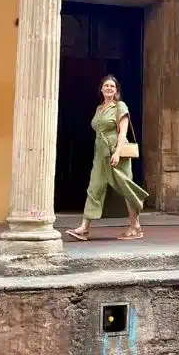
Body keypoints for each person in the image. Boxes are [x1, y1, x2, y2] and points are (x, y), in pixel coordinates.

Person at [65, 75, 148, 241]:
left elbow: (123, 132)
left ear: (116, 90)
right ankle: (84, 228)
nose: (109, 88)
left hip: (117, 150)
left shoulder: (120, 106)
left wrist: (117, 153)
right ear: (101, 89)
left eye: (112, 86)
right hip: (100, 152)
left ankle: (136, 226)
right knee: (94, 187)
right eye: (106, 86)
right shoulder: (99, 108)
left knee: (125, 187)